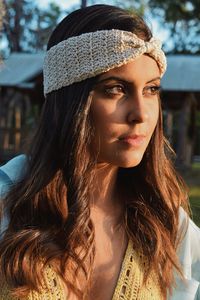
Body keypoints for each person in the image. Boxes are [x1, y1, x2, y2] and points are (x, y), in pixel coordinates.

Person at [0, 4, 199, 300]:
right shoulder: (8, 203)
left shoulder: (169, 228)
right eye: (115, 89)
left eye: (151, 89)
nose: (140, 114)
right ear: (70, 101)